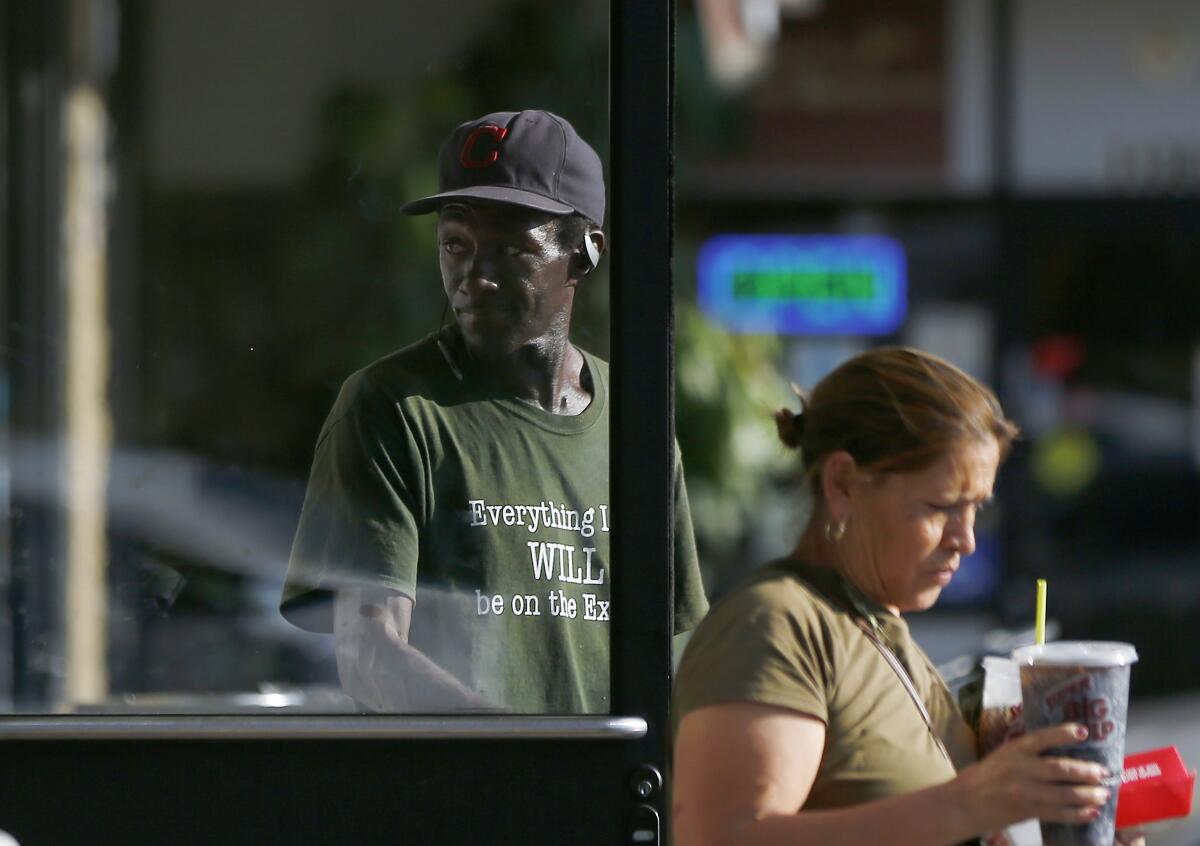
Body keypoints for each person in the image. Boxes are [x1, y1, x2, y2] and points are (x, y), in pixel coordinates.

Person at [279, 110, 708, 714]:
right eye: (456, 244)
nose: (472, 278)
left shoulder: (635, 422)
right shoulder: (394, 408)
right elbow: (369, 654)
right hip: (462, 799)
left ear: (585, 252)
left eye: (508, 248)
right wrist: (520, 756)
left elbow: (672, 661)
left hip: (607, 801)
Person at [671, 347, 1145, 846]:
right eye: (941, 506)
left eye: (976, 509)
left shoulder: (877, 630)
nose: (966, 539)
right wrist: (968, 803)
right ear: (843, 484)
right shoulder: (777, 623)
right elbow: (722, 837)